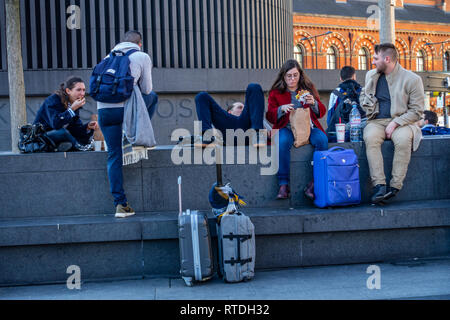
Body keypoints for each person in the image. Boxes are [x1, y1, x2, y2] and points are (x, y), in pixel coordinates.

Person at [97, 30, 158, 218]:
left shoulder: (107, 58)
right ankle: (134, 135)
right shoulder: (141, 56)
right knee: (153, 97)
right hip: (126, 111)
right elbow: (147, 89)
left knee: (113, 155)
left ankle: (120, 205)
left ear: (122, 42)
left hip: (104, 111)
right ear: (139, 44)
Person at [360, 43, 424, 204]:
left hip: (403, 122)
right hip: (376, 121)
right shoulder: (371, 75)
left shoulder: (412, 79)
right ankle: (379, 186)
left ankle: (395, 187)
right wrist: (367, 103)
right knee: (370, 137)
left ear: (387, 59)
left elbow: (417, 111)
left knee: (403, 140)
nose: (373, 62)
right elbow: (363, 97)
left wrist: (395, 123)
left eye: (376, 58)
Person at [266, 59, 328, 200]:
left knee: (322, 140)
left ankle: (314, 184)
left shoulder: (308, 88)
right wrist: (281, 109)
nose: (292, 79)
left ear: (300, 74)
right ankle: (283, 185)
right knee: (282, 142)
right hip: (285, 127)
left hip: (308, 127)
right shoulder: (276, 92)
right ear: (283, 76)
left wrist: (314, 104)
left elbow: (321, 112)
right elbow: (269, 115)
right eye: (289, 76)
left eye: (295, 75)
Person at [34, 76, 98, 152]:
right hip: (40, 138)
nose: (82, 93)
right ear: (68, 91)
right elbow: (55, 124)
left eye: (84, 90)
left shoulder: (73, 104)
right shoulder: (53, 100)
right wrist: (72, 109)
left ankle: (76, 147)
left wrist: (87, 127)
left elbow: (75, 129)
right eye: (78, 90)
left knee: (72, 135)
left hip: (58, 137)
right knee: (63, 132)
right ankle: (79, 147)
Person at [194, 83, 266, 147]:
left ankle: (258, 135)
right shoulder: (226, 118)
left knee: (254, 86)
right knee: (201, 96)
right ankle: (207, 136)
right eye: (240, 107)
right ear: (229, 112)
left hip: (247, 129)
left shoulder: (250, 118)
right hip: (228, 129)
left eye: (244, 108)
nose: (243, 109)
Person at [327, 66, 366, 141]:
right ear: (354, 76)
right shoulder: (362, 90)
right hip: (360, 130)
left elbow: (330, 117)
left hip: (341, 132)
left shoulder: (335, 93)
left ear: (341, 79)